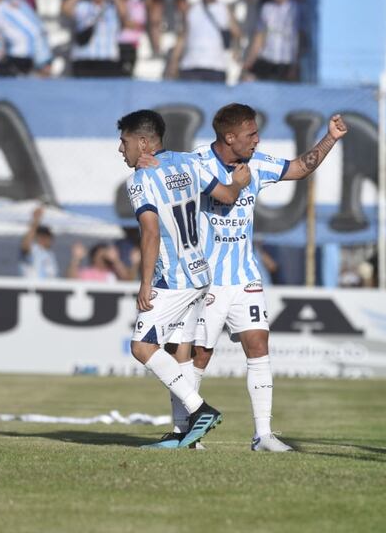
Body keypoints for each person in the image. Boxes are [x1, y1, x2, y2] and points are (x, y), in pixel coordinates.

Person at [139, 103, 348, 451]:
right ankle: (184, 433)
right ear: (229, 136)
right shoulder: (195, 164)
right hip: (207, 280)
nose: (257, 139)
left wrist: (330, 137)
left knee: (258, 345)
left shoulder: (258, 163)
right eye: (251, 134)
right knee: (195, 356)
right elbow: (166, 164)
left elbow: (299, 168)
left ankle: (263, 435)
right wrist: (151, 160)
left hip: (245, 277)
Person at [118, 108, 249, 449]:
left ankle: (198, 409)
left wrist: (145, 283)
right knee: (180, 353)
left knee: (142, 347)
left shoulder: (140, 180)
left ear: (143, 143)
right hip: (200, 273)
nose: (121, 149)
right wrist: (239, 182)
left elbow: (150, 233)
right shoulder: (188, 162)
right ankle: (184, 436)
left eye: (125, 141)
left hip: (172, 279)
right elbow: (227, 196)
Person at [167, 0, 239, 83]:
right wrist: (173, 61)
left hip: (216, 66)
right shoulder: (192, 9)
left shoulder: (224, 9)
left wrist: (235, 50)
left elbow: (236, 32)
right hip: (191, 65)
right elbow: (182, 36)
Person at [241, 0, 299, 82]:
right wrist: (249, 61)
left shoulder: (295, 9)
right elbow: (260, 36)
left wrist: (295, 65)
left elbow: (299, 38)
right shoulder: (267, 8)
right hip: (267, 59)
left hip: (285, 62)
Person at [62, 0, 125, 77]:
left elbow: (124, 13)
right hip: (84, 57)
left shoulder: (112, 8)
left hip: (107, 58)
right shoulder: (83, 7)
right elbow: (65, 8)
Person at [113, 0, 146, 76]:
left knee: (127, 74)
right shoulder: (111, 4)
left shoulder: (138, 5)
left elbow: (136, 25)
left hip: (129, 44)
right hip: (113, 45)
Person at [20, 206, 58, 279]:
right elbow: (26, 244)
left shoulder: (50, 254)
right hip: (32, 289)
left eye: (49, 237)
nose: (48, 240)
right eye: (44, 237)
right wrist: (36, 220)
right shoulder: (34, 250)